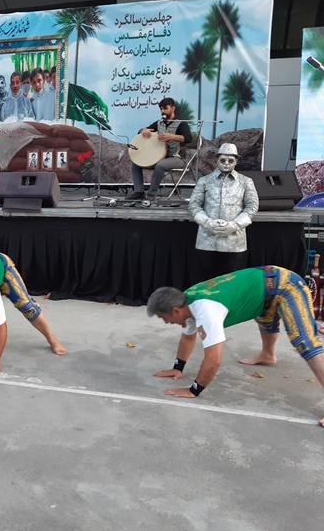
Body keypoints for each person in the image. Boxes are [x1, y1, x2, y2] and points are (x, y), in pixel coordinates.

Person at [147, 268, 324, 426]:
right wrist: (178, 367)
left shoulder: (205, 310)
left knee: (305, 342)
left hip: (286, 285)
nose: (167, 322)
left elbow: (214, 360)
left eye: (163, 317)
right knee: (266, 318)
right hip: (265, 287)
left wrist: (194, 390)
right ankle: (267, 355)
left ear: (176, 311)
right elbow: (188, 337)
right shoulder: (187, 301)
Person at [189, 143, 259, 281]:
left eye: (230, 160)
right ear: (217, 160)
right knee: (206, 280)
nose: (226, 163)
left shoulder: (246, 182)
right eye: (223, 160)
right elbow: (194, 204)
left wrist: (234, 225)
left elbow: (252, 206)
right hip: (207, 240)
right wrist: (207, 223)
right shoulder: (204, 181)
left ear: (236, 161)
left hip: (234, 242)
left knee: (233, 281)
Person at [126, 97, 192, 201]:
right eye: (161, 109)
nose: (163, 111)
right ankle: (139, 192)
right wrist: (143, 130)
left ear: (173, 108)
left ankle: (151, 195)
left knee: (160, 165)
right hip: (160, 157)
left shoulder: (181, 123)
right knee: (136, 164)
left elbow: (188, 138)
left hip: (177, 158)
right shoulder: (159, 123)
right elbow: (142, 130)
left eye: (165, 108)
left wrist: (172, 137)